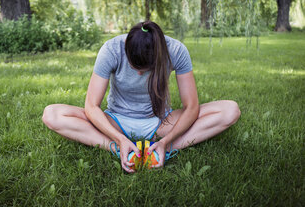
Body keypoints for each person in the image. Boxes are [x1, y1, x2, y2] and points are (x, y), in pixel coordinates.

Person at [42, 21, 241, 173]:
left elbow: (191, 107)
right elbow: (91, 105)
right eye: (134, 66)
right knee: (52, 114)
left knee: (230, 110)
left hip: (161, 123)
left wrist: (166, 141)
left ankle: (162, 148)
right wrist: (118, 139)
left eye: (145, 69)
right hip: (116, 121)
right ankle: (119, 148)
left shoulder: (176, 51)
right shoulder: (111, 49)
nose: (139, 74)